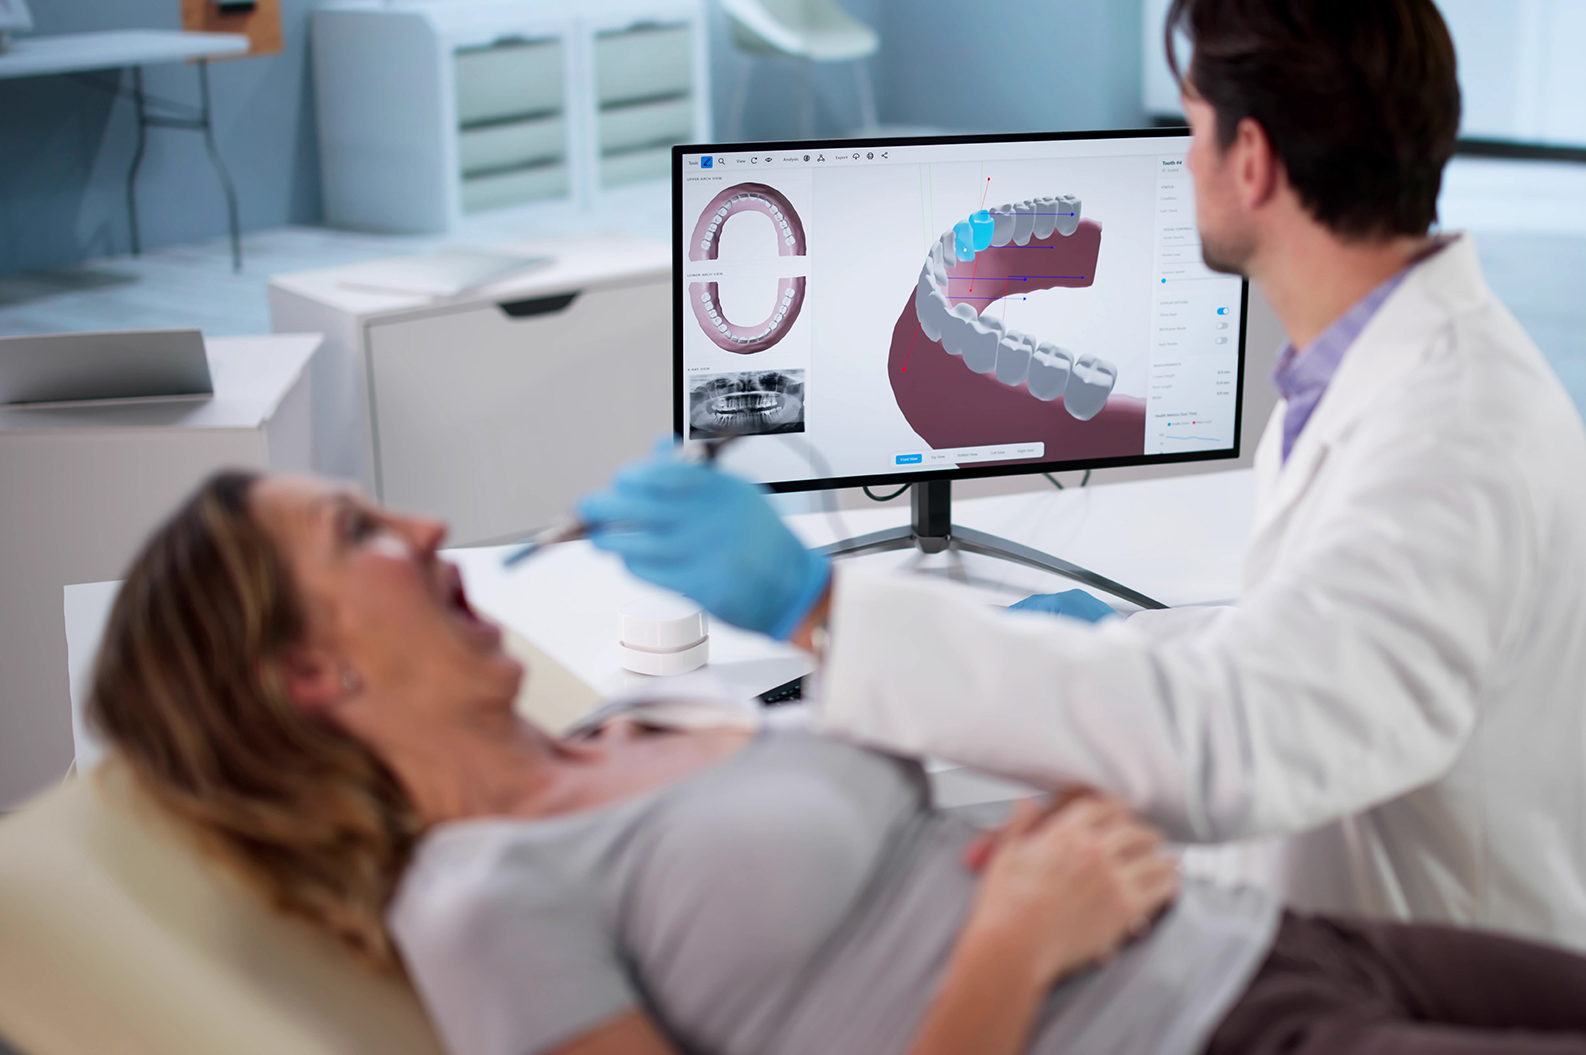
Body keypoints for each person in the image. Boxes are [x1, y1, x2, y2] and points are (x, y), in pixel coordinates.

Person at [579, 0, 1586, 950]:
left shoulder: (1449, 438)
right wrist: (1135, 636)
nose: (1180, 157)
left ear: (1249, 161)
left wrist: (823, 605)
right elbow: (1326, 643)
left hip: (1433, 989)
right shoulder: (1364, 366)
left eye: (1190, 127)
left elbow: (1234, 742)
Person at [87, 472, 1586, 1055]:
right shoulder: (480, 897)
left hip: (1271, 937)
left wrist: (1052, 784)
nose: (419, 526)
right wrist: (1013, 936)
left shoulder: (632, 722)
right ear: (310, 673)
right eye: (360, 535)